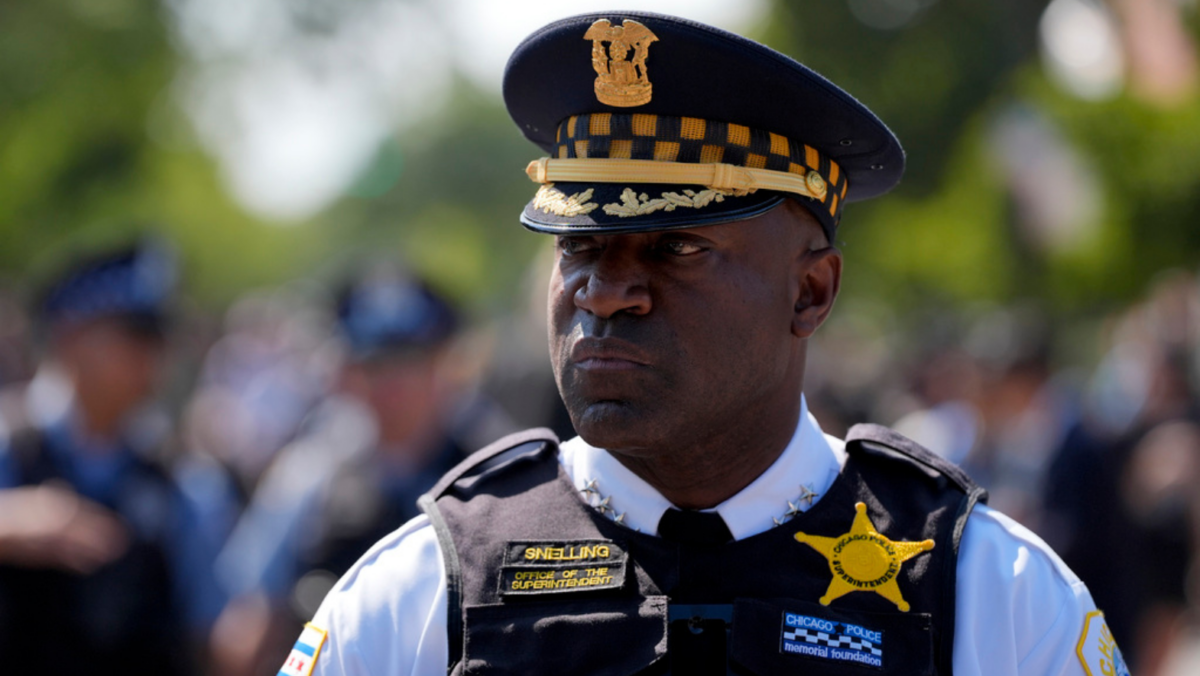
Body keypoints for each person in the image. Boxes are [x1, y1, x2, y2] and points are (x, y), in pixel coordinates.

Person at [281, 12, 1126, 676]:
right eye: (579, 245)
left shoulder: (989, 594)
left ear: (811, 290)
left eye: (678, 246)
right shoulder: (421, 593)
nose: (606, 289)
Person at [0, 240, 221, 675]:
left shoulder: (183, 477)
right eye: (135, 335)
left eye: (159, 338)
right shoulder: (10, 445)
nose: (154, 356)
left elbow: (213, 630)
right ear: (70, 336)